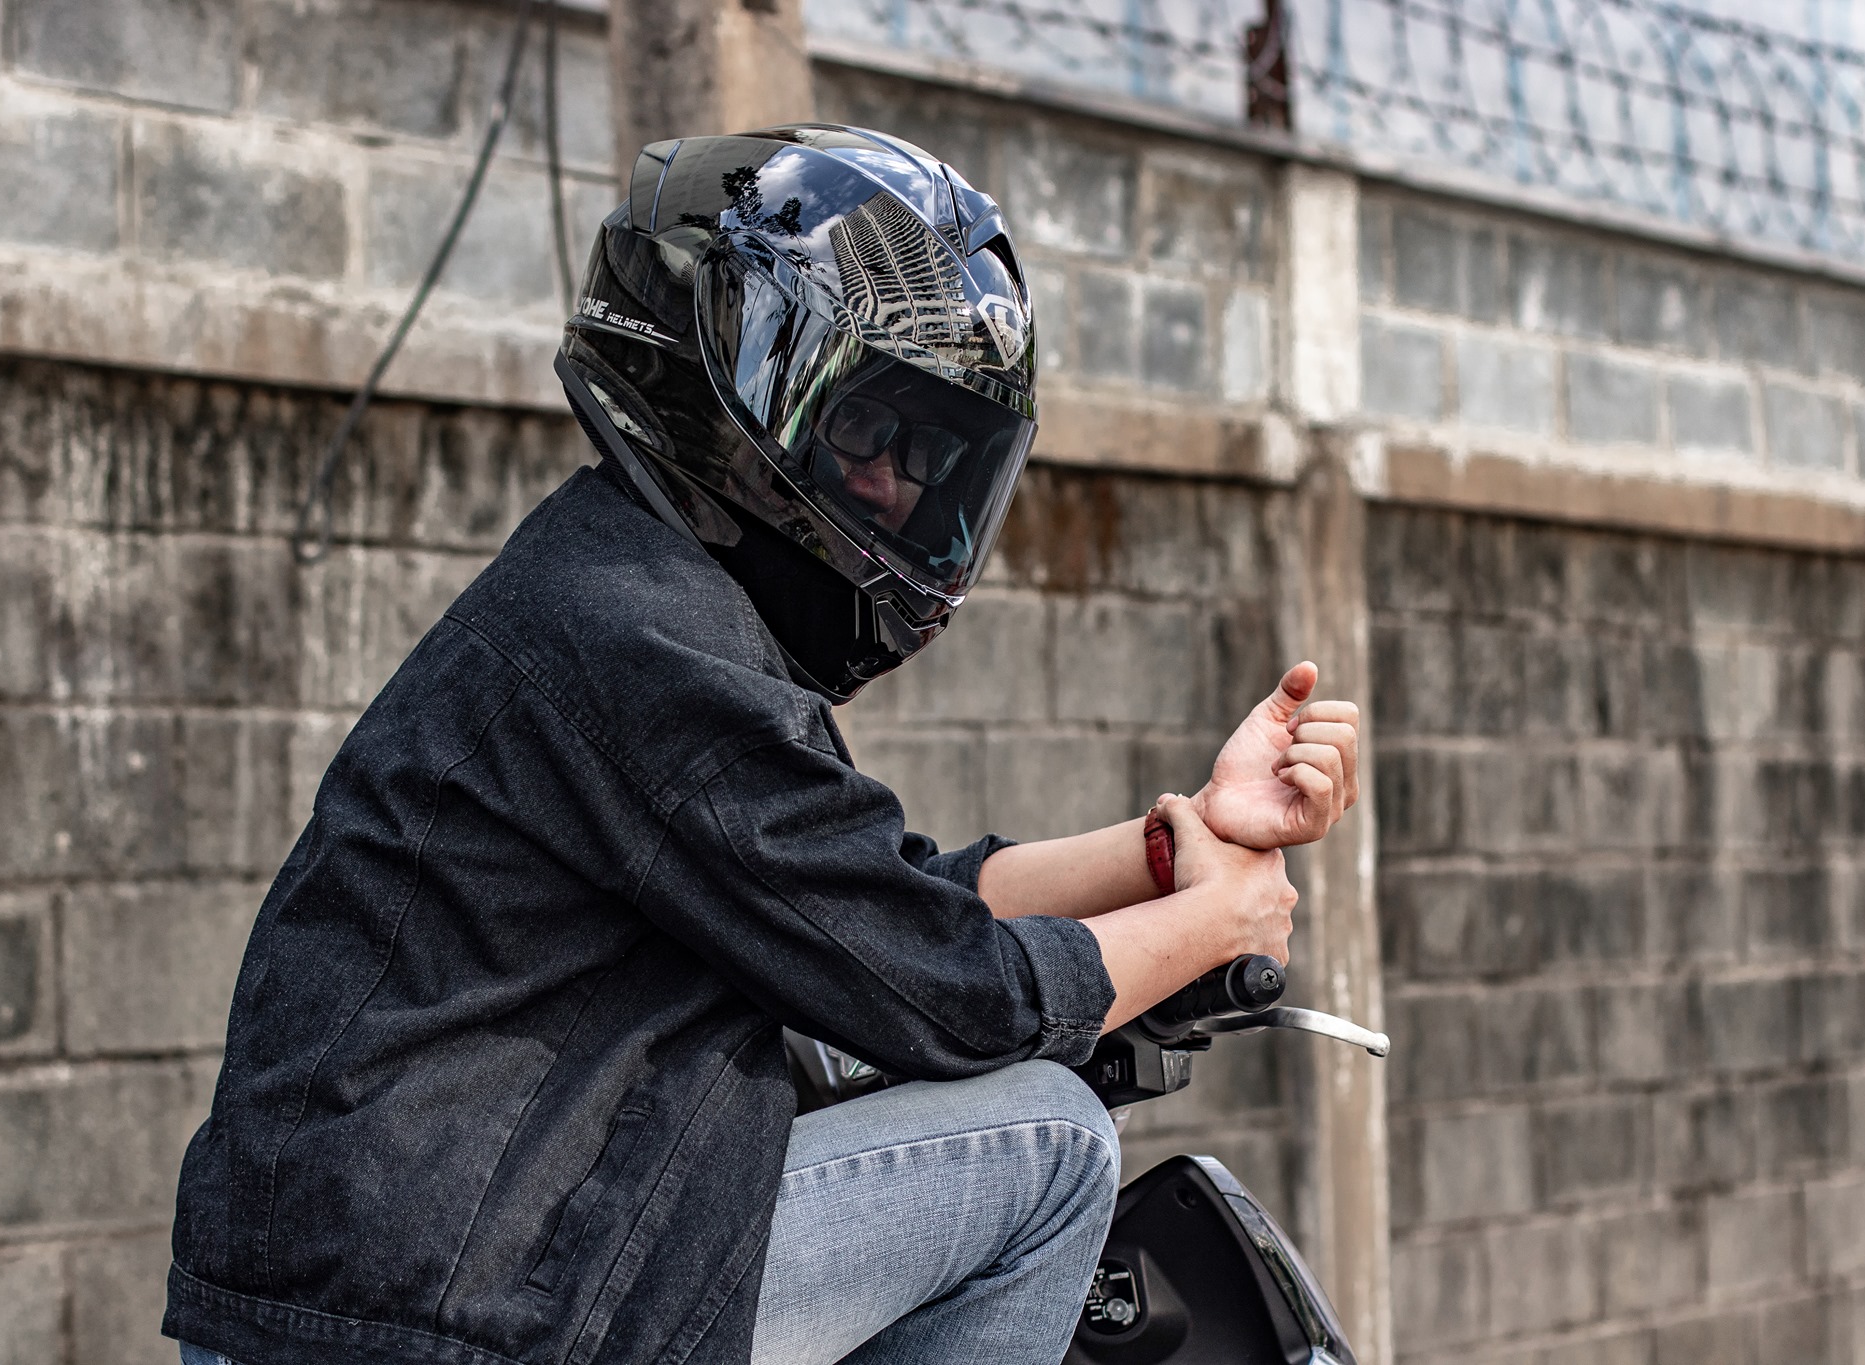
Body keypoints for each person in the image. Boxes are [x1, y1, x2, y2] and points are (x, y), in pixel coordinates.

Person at [164, 127, 1361, 1365]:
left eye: (926, 453)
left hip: (418, 1284)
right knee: (1050, 1143)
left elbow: (877, 910)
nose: (894, 487)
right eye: (862, 429)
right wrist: (1213, 923)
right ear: (731, 378)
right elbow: (949, 998)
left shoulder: (630, 594)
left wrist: (1179, 842)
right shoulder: (642, 639)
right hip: (438, 1313)